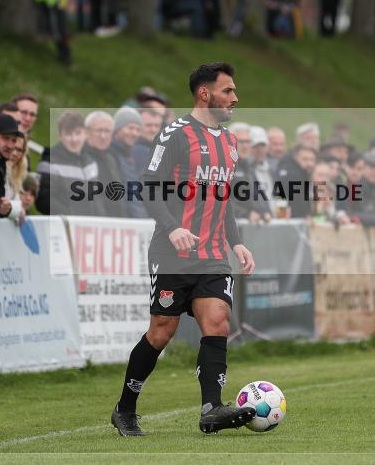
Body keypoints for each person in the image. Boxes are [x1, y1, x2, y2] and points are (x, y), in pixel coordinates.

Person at [111, 62, 256, 437]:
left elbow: (222, 199)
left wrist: (237, 241)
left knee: (217, 321)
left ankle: (211, 408)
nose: (235, 98)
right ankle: (125, 409)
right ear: (204, 93)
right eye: (228, 91)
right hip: (172, 252)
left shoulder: (229, 142)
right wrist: (173, 228)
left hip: (212, 254)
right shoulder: (174, 135)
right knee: (162, 331)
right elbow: (149, 186)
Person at [36, 110, 103, 217]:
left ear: (85, 134)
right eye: (68, 134)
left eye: (78, 133)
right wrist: (73, 216)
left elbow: (97, 200)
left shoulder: (91, 163)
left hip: (89, 228)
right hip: (61, 227)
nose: (74, 139)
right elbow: (43, 201)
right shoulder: (49, 163)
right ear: (60, 136)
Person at [83, 110, 124, 218]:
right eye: (99, 131)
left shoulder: (111, 159)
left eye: (107, 131)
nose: (103, 136)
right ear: (87, 132)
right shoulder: (80, 157)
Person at [0, 113, 24, 222]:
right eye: (5, 138)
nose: (10, 145)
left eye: (13, 140)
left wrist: (5, 209)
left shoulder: (0, 162)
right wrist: (3, 208)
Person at [109, 106, 145, 218]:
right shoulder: (110, 154)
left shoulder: (129, 155)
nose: (134, 133)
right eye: (130, 128)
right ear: (117, 129)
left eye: (137, 129)